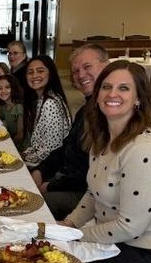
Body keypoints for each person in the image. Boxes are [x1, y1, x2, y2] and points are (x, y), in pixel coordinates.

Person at [61, 60, 151, 263]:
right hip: (113, 237)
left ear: (138, 99)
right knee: (43, 253)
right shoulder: (103, 136)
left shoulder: (144, 149)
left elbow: (130, 227)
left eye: (124, 88)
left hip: (142, 252)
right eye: (106, 87)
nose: (112, 93)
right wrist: (69, 223)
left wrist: (77, 235)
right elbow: (93, 193)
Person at [33, 44, 109, 219]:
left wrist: (51, 186)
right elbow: (66, 148)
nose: (81, 75)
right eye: (75, 71)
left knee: (33, 207)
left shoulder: (108, 114)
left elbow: (90, 173)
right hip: (67, 178)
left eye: (87, 67)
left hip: (87, 194)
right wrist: (41, 170)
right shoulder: (85, 110)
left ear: (106, 65)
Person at [21, 55, 71, 168]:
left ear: (50, 73)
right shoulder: (42, 99)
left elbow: (52, 149)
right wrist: (23, 155)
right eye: (30, 72)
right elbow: (39, 144)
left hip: (48, 167)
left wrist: (23, 158)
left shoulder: (50, 103)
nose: (34, 76)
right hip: (40, 161)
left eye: (40, 71)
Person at [0, 73, 25, 146]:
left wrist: (8, 145)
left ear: (14, 88)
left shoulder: (18, 107)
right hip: (10, 140)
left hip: (21, 146)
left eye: (7, 87)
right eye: (0, 88)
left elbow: (20, 135)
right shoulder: (4, 108)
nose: (3, 91)